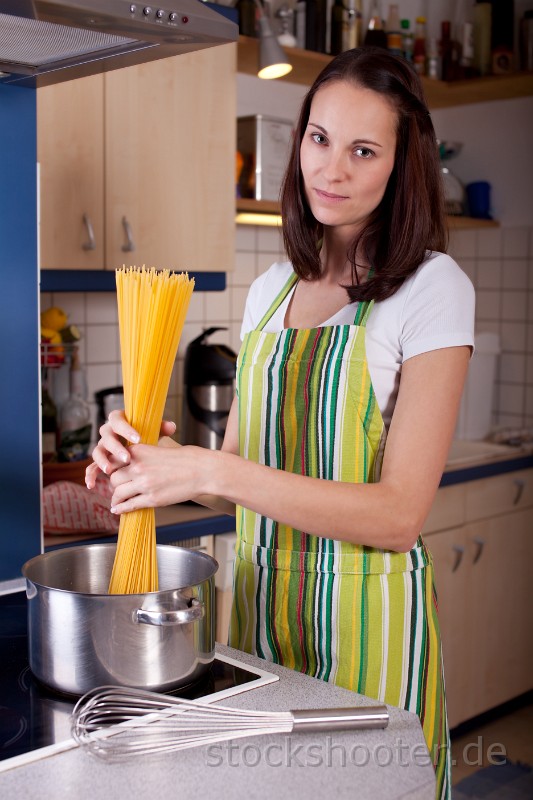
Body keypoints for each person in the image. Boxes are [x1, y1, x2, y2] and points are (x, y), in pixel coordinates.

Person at [87, 47, 475, 799]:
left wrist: (207, 467)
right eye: (318, 138)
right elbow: (234, 483)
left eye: (364, 150)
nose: (331, 169)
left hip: (367, 626)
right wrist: (153, 466)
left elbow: (398, 515)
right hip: (263, 620)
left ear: (401, 164)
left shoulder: (432, 287)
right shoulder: (269, 289)